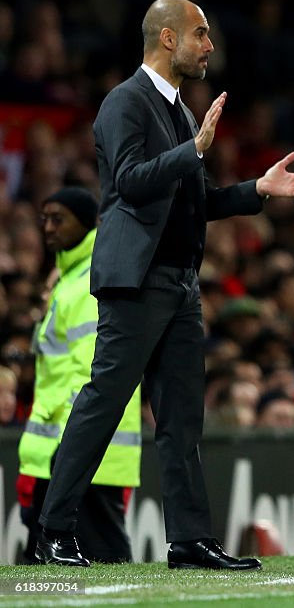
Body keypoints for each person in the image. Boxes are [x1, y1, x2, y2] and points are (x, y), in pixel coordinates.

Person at [34, 0, 294, 569]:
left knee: (182, 419)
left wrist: (257, 191)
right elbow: (129, 182)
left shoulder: (181, 112)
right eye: (200, 34)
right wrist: (190, 151)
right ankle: (53, 530)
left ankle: (188, 540)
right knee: (104, 403)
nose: (209, 47)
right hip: (136, 281)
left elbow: (199, 202)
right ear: (168, 39)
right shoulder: (126, 102)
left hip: (180, 283)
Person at [17, 188, 141, 564]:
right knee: (42, 576)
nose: (49, 227)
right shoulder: (70, 279)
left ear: (88, 224)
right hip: (64, 451)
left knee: (103, 569)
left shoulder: (89, 282)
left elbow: (93, 373)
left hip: (84, 456)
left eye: (60, 218)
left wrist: (69, 448)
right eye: (45, 219)